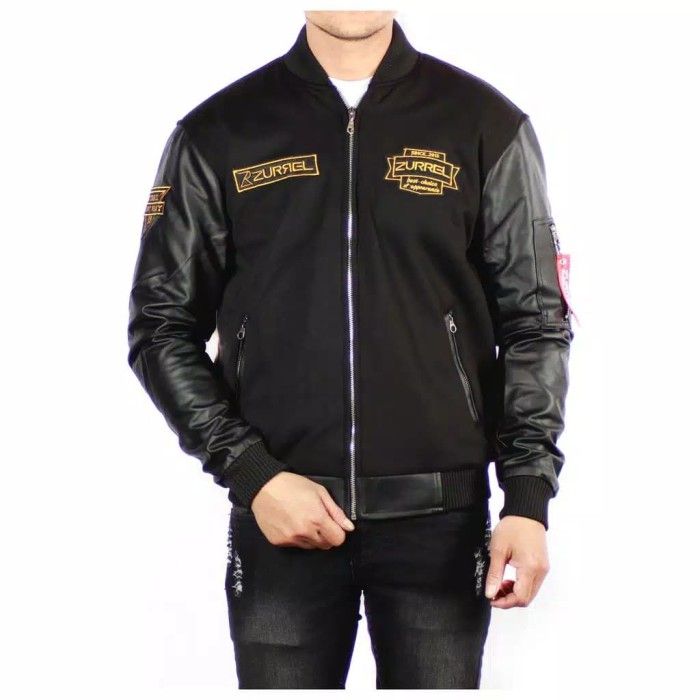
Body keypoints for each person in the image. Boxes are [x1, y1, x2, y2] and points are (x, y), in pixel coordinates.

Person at [126, 10, 575, 689]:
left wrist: (527, 495)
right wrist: (253, 473)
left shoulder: (483, 123)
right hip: (281, 517)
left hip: (440, 523)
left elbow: (535, 320)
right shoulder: (220, 132)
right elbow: (160, 326)